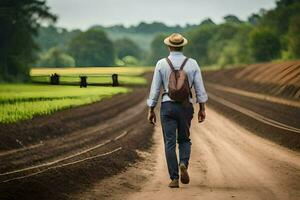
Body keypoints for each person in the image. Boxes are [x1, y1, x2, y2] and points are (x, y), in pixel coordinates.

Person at [147, 33, 208, 188]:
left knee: (169, 143)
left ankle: (174, 178)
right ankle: (183, 164)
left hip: (167, 106)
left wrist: (151, 108)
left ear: (169, 46)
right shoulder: (192, 63)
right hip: (185, 106)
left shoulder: (161, 63)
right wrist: (202, 108)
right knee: (184, 139)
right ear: (182, 46)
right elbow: (200, 89)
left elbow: (155, 89)